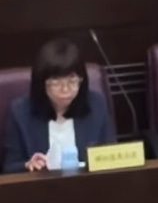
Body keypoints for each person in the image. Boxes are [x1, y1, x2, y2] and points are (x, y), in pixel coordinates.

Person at [3, 38, 114, 173]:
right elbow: (9, 167)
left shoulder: (96, 105)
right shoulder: (20, 112)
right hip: (42, 185)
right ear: (41, 82)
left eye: (72, 81)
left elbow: (111, 156)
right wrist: (28, 165)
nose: (65, 89)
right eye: (56, 82)